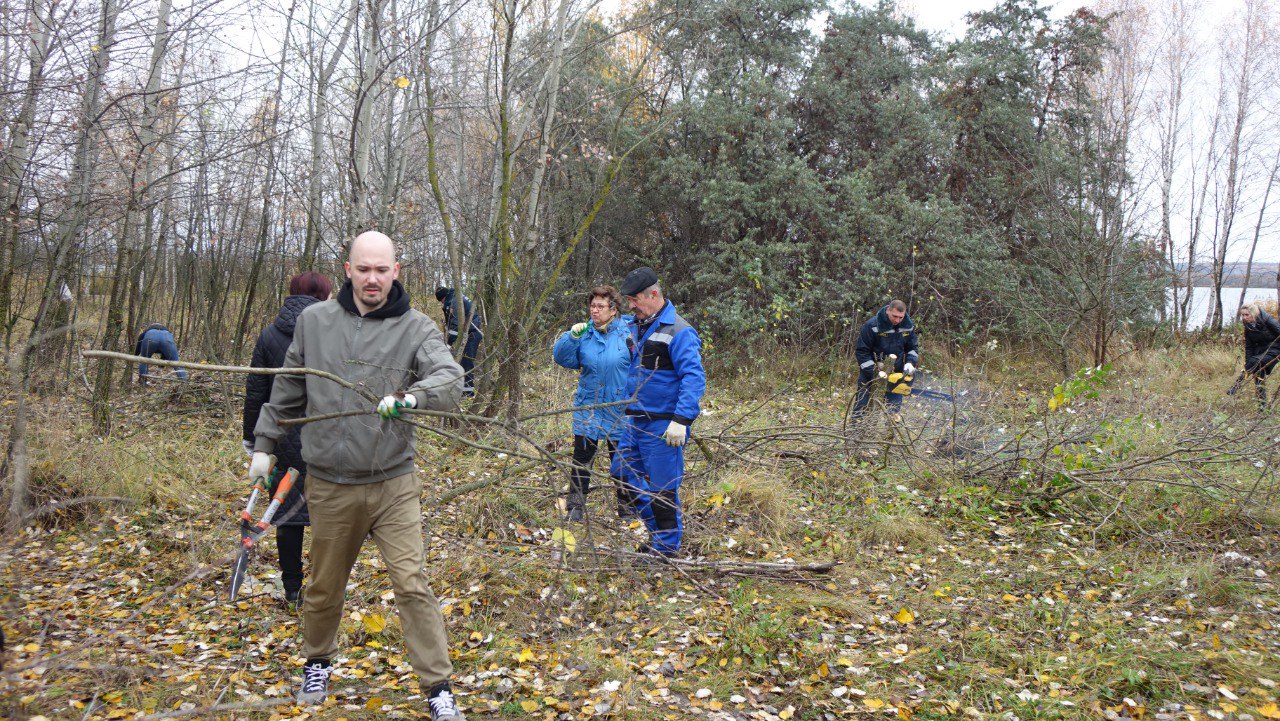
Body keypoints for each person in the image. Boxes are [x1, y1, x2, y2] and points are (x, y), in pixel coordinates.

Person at [249, 232, 466, 720]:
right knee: (325, 582)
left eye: (382, 269)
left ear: (396, 270)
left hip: (393, 482)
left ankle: (438, 687)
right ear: (347, 269)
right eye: (364, 268)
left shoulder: (416, 328)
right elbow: (286, 389)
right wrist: (263, 446)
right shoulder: (314, 322)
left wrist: (413, 398)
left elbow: (450, 379)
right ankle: (318, 662)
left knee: (411, 582)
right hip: (328, 483)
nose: (373, 278)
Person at [242, 271, 332, 606]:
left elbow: (256, 393)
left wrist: (256, 443)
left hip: (281, 437)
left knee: (286, 515)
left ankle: (292, 587)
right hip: (325, 436)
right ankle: (324, 586)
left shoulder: (269, 335)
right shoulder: (331, 332)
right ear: (325, 296)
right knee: (328, 514)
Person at [615, 267, 706, 557]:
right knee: (621, 473)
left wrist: (681, 420)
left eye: (634, 300)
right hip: (634, 420)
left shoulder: (680, 331)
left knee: (662, 489)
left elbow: (694, 377)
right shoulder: (634, 325)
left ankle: (666, 550)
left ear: (653, 294)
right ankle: (658, 535)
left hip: (663, 425)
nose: (630, 306)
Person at [552, 285, 634, 521]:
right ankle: (575, 508)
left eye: (600, 306)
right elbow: (562, 358)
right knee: (582, 458)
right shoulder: (585, 333)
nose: (594, 311)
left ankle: (627, 509)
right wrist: (571, 337)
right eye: (592, 306)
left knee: (620, 459)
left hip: (619, 407)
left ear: (613, 309)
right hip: (589, 405)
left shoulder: (628, 332)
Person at [851, 300, 919, 421]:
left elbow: (912, 348)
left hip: (896, 373)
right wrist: (874, 371)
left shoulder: (908, 326)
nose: (897, 320)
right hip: (871, 373)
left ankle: (889, 436)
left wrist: (910, 363)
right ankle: (855, 436)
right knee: (861, 408)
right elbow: (862, 352)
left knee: (893, 412)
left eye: (900, 317)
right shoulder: (872, 326)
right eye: (894, 316)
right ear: (888, 310)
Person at [1228, 301, 1280, 405]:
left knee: (1254, 362)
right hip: (1262, 352)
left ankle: (1236, 385)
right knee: (1257, 371)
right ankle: (1262, 406)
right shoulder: (1248, 325)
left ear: (1254, 313)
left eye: (1247, 314)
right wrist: (1248, 363)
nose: (1244, 317)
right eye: (1242, 315)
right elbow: (1249, 346)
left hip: (1276, 349)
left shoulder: (1268, 320)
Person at [435, 287, 483, 397]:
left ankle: (468, 393)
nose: (442, 303)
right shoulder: (455, 298)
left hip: (472, 332)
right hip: (468, 331)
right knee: (462, 360)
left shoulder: (455, 302)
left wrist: (448, 343)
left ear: (443, 298)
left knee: (467, 361)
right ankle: (459, 388)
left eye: (441, 301)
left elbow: (455, 326)